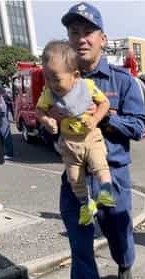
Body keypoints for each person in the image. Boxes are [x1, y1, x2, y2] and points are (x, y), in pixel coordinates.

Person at [56, 2, 145, 279]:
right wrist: (54, 128)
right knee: (79, 245)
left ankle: (124, 264)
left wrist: (103, 119)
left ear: (102, 39)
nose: (80, 39)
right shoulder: (60, 79)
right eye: (73, 33)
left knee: (119, 233)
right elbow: (46, 119)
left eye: (87, 32)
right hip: (75, 176)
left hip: (113, 176)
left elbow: (138, 128)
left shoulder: (122, 82)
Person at [37, 40, 116, 226]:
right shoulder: (49, 93)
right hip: (69, 143)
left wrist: (95, 118)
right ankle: (85, 205)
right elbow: (39, 110)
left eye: (56, 79)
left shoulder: (87, 87)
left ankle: (105, 192)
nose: (51, 84)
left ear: (75, 75)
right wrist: (47, 120)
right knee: (74, 178)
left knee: (99, 165)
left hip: (90, 137)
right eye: (47, 78)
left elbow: (105, 103)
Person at [0, 84, 16, 160]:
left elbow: (2, 109)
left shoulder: (1, 98)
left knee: (6, 136)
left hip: (3, 118)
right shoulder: (0, 97)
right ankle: (6, 151)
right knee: (2, 136)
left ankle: (9, 153)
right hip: (1, 118)